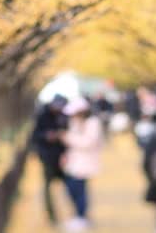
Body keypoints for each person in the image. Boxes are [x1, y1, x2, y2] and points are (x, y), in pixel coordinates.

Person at [60, 97, 105, 232]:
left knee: (79, 191)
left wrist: (68, 137)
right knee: (72, 189)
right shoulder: (75, 122)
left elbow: (88, 142)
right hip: (74, 162)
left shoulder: (93, 123)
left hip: (85, 162)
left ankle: (81, 217)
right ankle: (78, 216)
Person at [31, 94, 68, 226]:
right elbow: (35, 135)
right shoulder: (42, 116)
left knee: (69, 185)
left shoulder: (64, 116)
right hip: (47, 156)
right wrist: (47, 136)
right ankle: (52, 215)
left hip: (64, 157)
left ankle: (71, 213)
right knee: (48, 187)